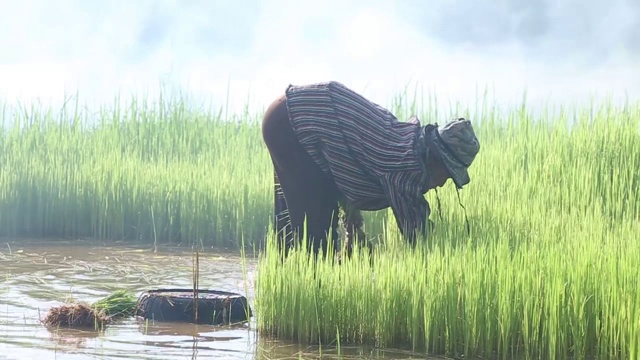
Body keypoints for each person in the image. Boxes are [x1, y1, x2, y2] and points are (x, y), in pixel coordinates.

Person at [261, 81, 480, 259]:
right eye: (447, 175)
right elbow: (418, 238)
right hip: (292, 122)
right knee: (315, 241)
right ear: (436, 159)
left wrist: (353, 227)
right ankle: (304, 297)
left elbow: (345, 163)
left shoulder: (407, 140)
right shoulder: (406, 166)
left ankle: (300, 281)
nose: (441, 184)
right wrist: (447, 260)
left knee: (310, 231)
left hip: (296, 113)